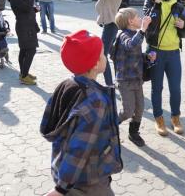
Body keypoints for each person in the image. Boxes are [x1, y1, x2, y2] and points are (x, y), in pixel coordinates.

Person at [40, 30, 123, 196]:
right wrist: (60, 189)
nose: (105, 57)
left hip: (62, 167)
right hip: (88, 179)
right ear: (95, 64)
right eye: (102, 54)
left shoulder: (66, 85)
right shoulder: (96, 102)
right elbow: (79, 148)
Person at [143, 0, 185, 136]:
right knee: (157, 88)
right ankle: (159, 118)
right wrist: (156, 3)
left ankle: (175, 117)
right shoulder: (149, 1)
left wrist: (183, 26)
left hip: (173, 53)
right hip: (155, 52)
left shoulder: (179, 5)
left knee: (175, 88)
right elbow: (148, 23)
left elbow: (184, 34)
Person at [112, 8, 152, 147]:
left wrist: (147, 57)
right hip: (125, 81)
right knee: (128, 111)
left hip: (136, 79)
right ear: (130, 21)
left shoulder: (134, 34)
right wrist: (143, 29)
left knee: (140, 108)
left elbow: (134, 54)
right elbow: (131, 46)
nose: (140, 18)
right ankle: (111, 126)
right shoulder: (123, 35)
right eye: (137, 17)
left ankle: (133, 133)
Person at [90, 0, 123, 87]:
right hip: (109, 24)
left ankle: (110, 83)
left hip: (110, 24)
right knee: (112, 53)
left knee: (102, 54)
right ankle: (120, 77)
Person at [6, 0, 39, 85]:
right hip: (24, 27)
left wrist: (34, 10)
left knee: (25, 50)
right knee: (31, 50)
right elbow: (25, 7)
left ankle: (23, 73)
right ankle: (24, 76)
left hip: (28, 25)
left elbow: (26, 8)